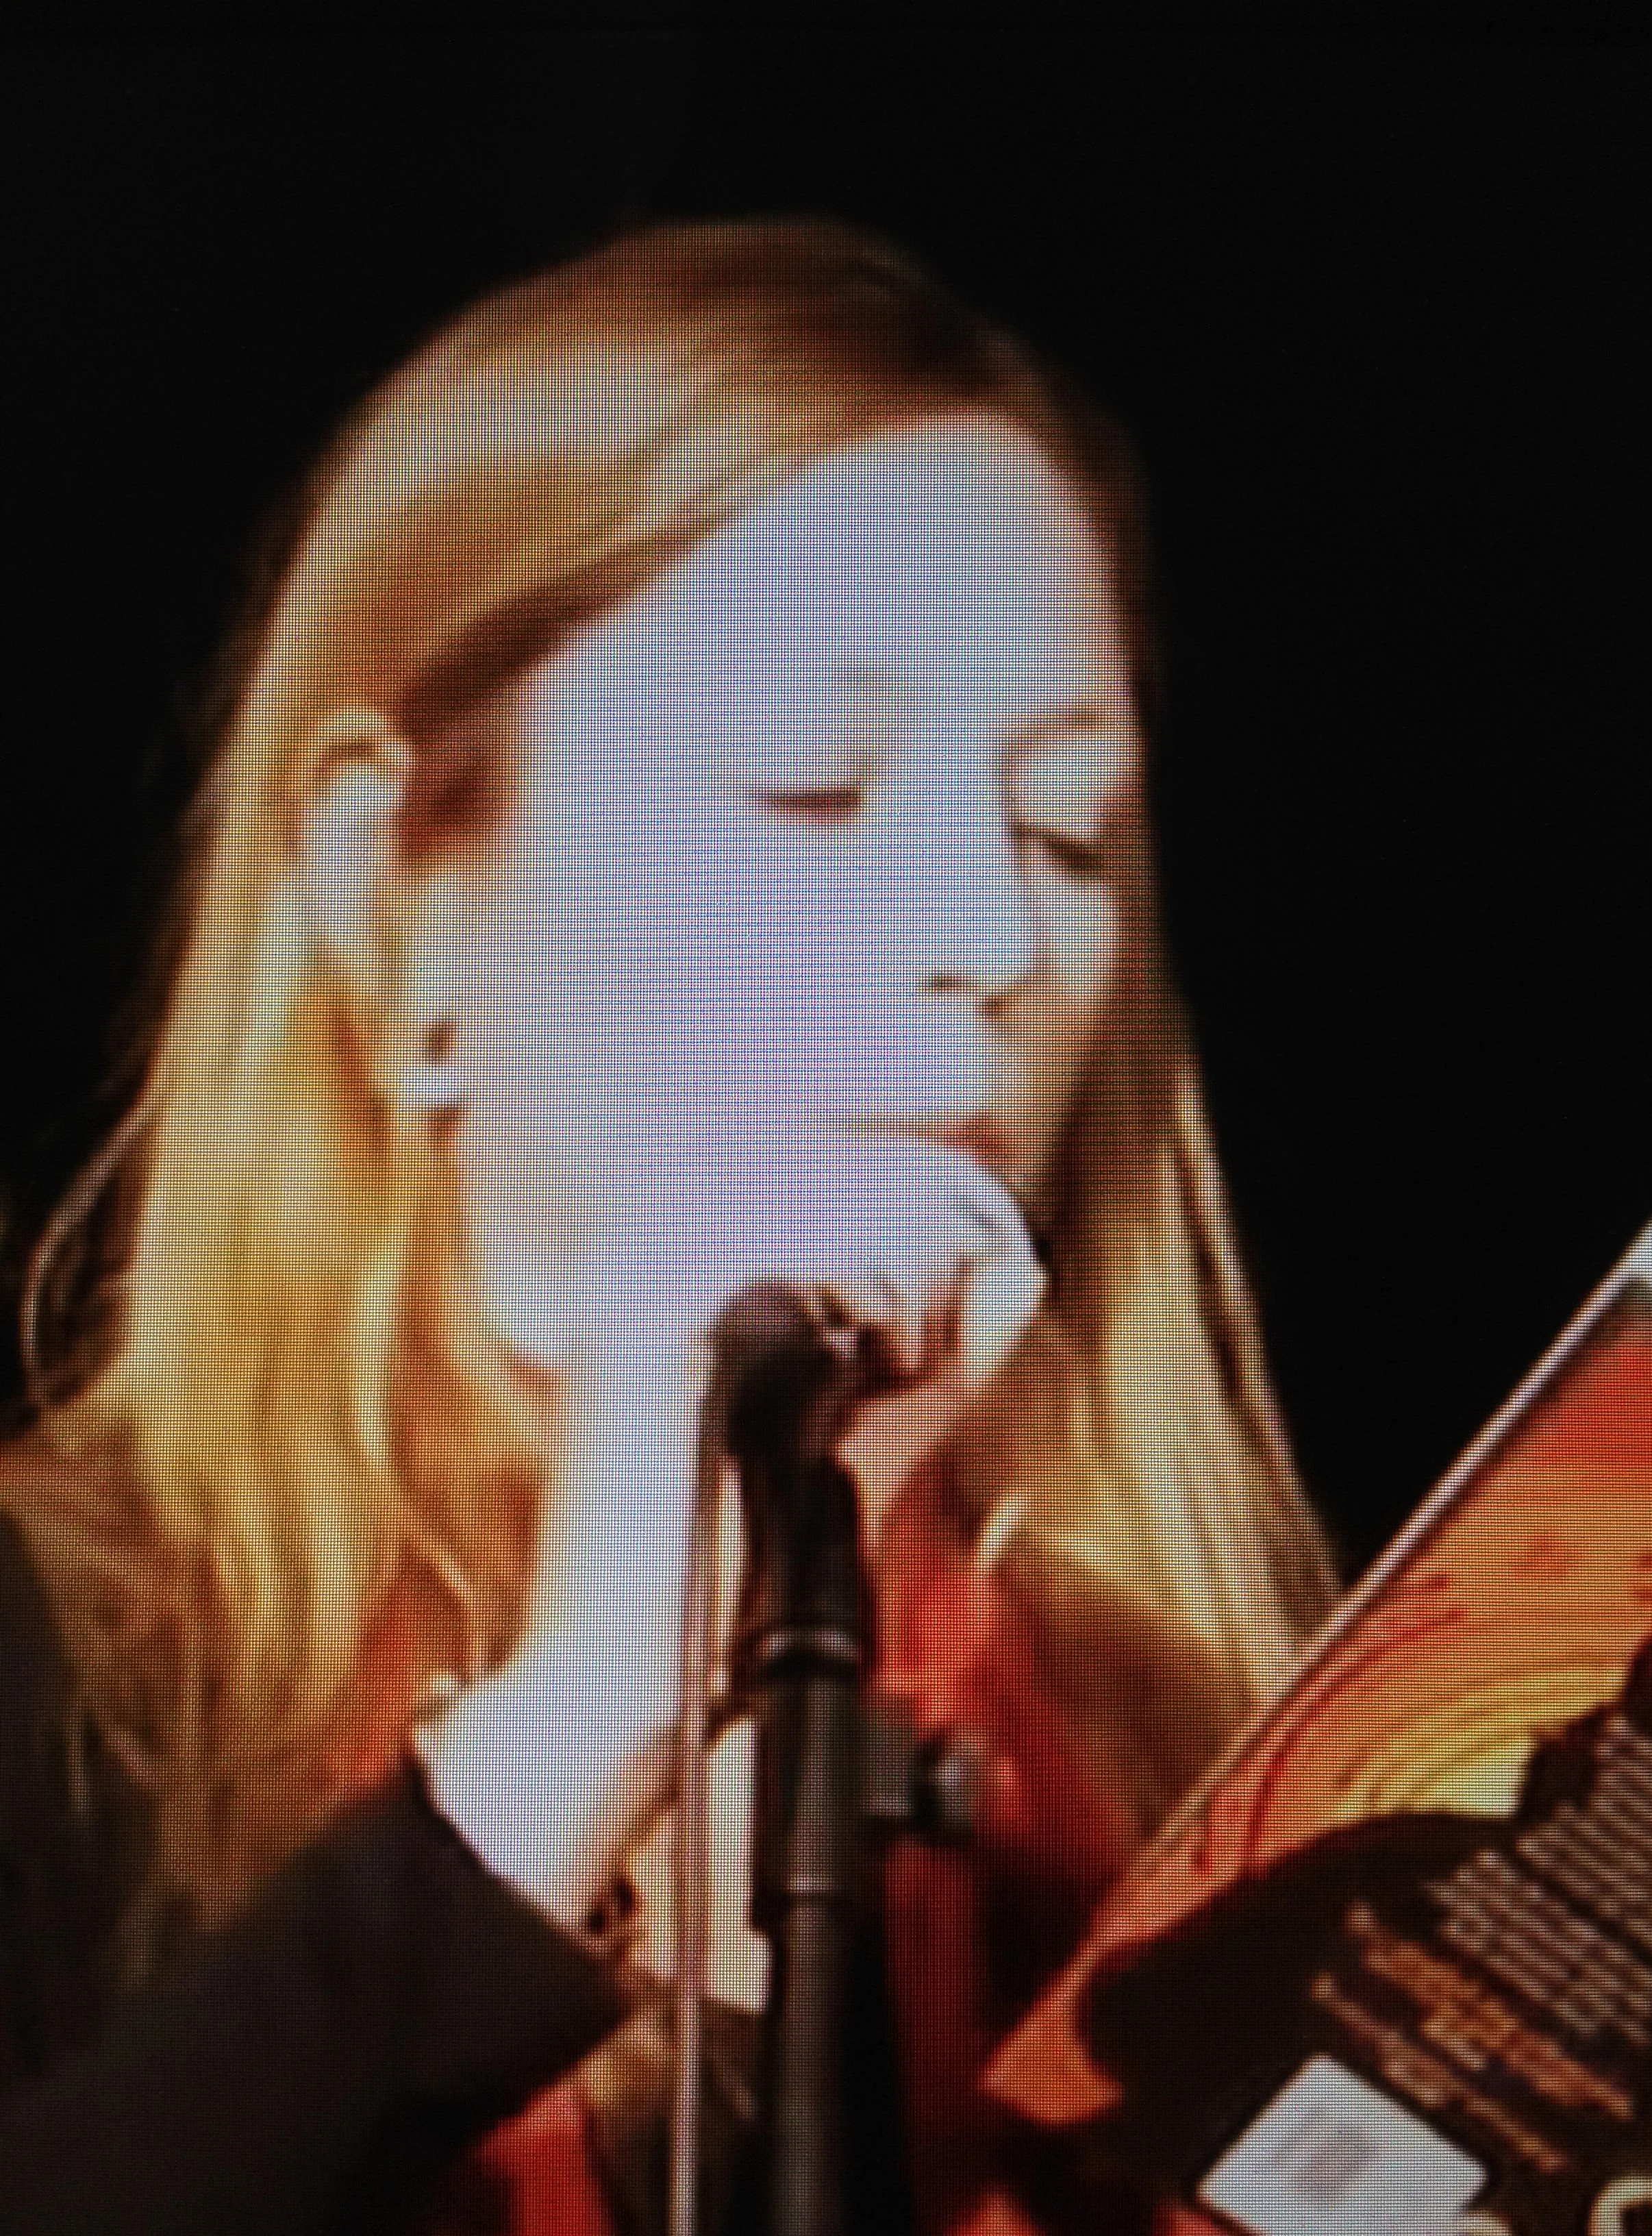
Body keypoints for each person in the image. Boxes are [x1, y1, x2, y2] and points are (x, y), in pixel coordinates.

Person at [0, 218, 1339, 2235]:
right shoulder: (61, 1665)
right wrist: (572, 1743)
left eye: (1063, 832)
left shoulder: (1208, 1749)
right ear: (405, 893)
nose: (989, 940)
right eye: (811, 790)